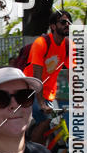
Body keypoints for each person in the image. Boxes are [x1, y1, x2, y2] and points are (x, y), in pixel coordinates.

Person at [24, 9, 72, 142]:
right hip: (31, 90)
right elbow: (36, 76)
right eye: (63, 22)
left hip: (48, 94)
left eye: (69, 22)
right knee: (45, 122)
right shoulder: (41, 43)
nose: (67, 25)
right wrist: (40, 103)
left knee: (54, 126)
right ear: (53, 26)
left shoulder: (68, 46)